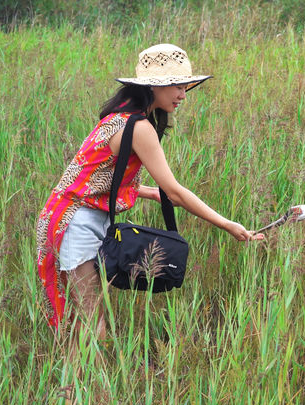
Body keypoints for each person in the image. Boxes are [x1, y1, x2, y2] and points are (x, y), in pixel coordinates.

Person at [36, 43, 263, 336]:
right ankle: (77, 383)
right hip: (74, 221)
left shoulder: (120, 117)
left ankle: (78, 381)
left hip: (79, 216)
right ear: (154, 87)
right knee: (95, 328)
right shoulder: (138, 125)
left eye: (186, 87)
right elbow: (176, 192)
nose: (183, 94)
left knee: (85, 322)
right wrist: (227, 224)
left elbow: (98, 176)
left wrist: (148, 192)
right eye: (177, 87)